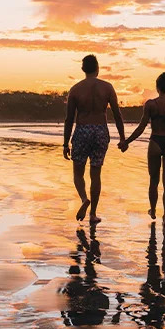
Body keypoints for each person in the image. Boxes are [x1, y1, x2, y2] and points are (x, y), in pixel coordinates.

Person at [64, 54, 125, 224]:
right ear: (97, 68)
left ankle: (84, 199)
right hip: (100, 130)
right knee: (96, 174)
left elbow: (69, 119)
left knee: (78, 172)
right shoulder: (107, 87)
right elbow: (117, 114)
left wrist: (65, 143)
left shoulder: (75, 89)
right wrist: (122, 138)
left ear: (83, 69)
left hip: (82, 130)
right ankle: (93, 214)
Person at [119, 72, 165, 226]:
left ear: (157, 87)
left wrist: (127, 141)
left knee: (154, 181)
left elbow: (141, 127)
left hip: (155, 142)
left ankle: (153, 210)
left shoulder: (151, 104)